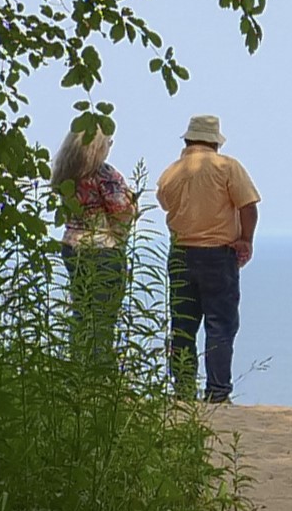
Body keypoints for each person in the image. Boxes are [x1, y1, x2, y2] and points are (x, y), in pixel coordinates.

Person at [155, 114, 258, 403]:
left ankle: (183, 391)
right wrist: (246, 240)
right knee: (220, 325)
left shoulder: (171, 172)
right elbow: (248, 205)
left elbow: (164, 202)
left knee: (183, 325)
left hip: (180, 255)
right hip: (217, 253)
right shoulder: (227, 167)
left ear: (187, 140)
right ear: (215, 142)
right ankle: (217, 392)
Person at [52, 121, 137, 373]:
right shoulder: (105, 175)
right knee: (103, 314)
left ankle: (79, 366)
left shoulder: (65, 173)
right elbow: (122, 210)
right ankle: (101, 372)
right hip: (103, 247)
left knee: (81, 310)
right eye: (109, 143)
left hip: (72, 245)